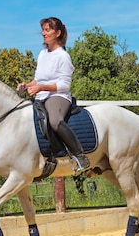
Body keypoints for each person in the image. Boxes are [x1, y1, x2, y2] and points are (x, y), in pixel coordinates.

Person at [17, 17, 91, 173]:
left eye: (47, 30)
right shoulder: (43, 54)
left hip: (59, 96)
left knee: (55, 121)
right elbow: (38, 79)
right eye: (43, 30)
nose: (44, 33)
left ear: (57, 33)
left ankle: (80, 156)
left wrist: (41, 88)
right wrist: (27, 85)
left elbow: (64, 85)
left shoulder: (63, 56)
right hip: (42, 95)